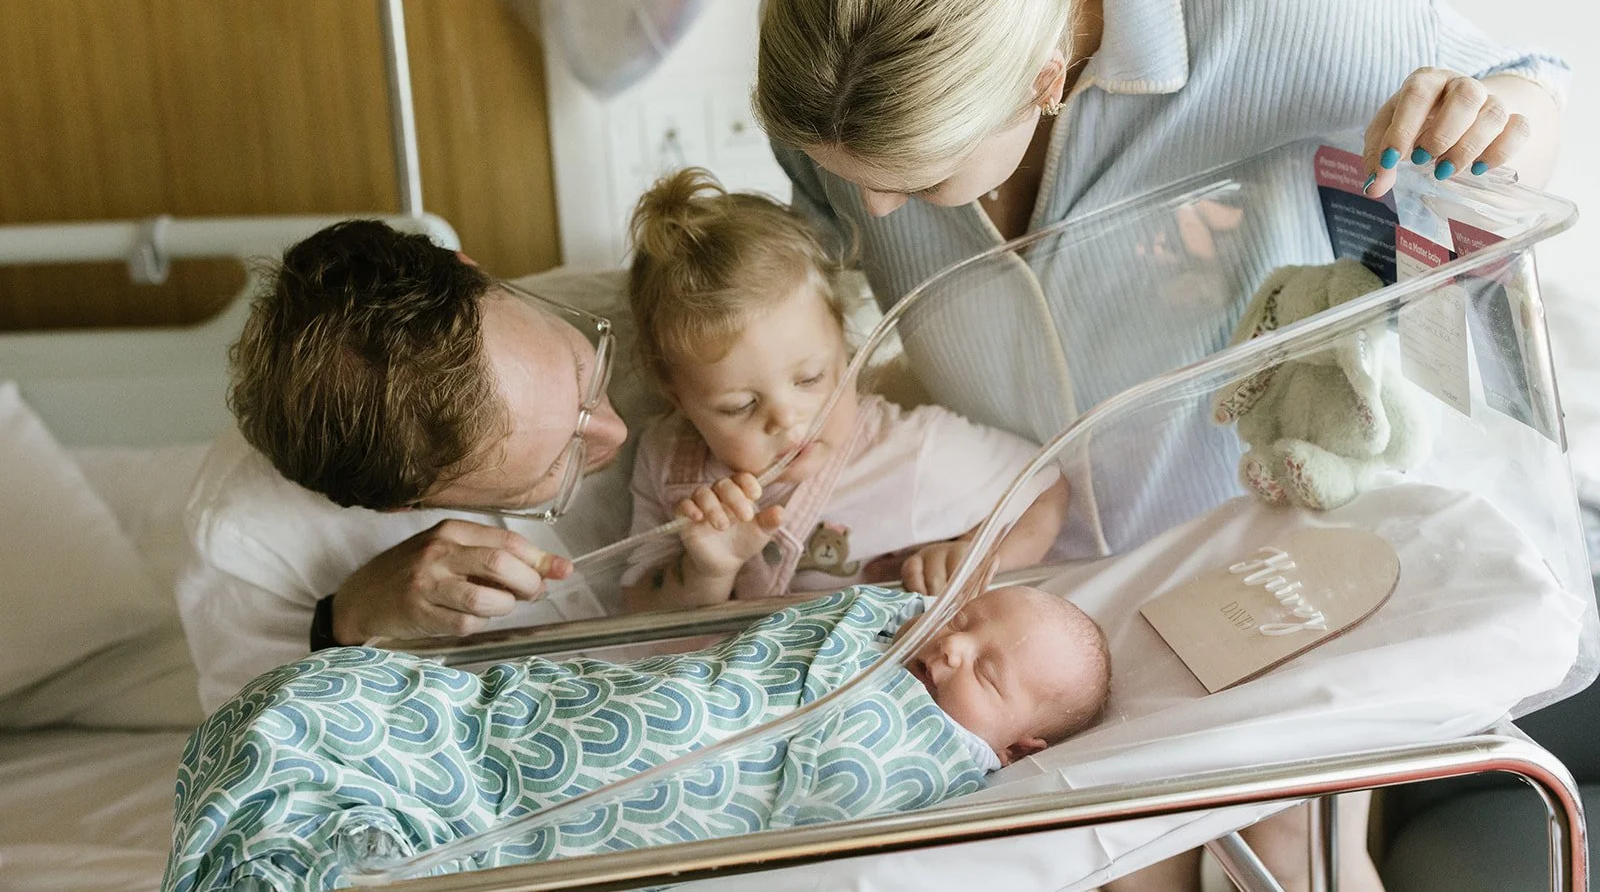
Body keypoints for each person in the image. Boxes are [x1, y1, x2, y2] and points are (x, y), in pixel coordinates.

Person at [753, 0, 1565, 887]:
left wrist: (1505, 121)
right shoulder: (841, 44)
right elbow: (828, 274)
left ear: (1047, 78)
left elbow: (1524, 85)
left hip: (1267, 527)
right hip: (1034, 564)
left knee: (1289, 850)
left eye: (917, 178)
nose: (877, 209)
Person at [164, 583, 1111, 892]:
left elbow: (831, 790)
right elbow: (838, 615)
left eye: (986, 674)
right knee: (307, 708)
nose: (950, 655)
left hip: (534, 813)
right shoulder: (893, 632)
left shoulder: (930, 763)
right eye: (966, 623)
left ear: (1016, 750)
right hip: (518, 724)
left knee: (329, 817)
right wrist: (925, 612)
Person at [176, 220, 639, 713]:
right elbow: (254, 752)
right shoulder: (243, 535)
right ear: (401, 506)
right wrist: (343, 625)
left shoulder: (656, 313)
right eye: (553, 468)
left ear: (472, 270)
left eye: (579, 368)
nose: (618, 432)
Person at [616, 169, 1070, 611]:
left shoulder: (910, 451)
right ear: (679, 398)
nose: (787, 419)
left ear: (845, 344)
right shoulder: (668, 460)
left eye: (810, 379)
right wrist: (706, 573)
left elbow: (1046, 487)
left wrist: (974, 557)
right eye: (740, 406)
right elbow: (636, 613)